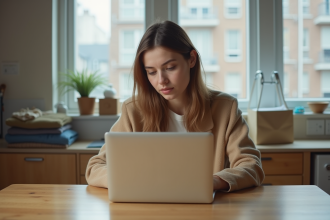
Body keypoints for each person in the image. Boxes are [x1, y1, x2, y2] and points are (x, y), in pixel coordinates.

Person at [86, 20, 264, 192]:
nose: (161, 81)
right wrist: (129, 181)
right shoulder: (133, 110)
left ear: (191, 59)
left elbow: (250, 165)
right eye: (152, 72)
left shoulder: (226, 109)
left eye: (170, 67)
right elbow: (95, 167)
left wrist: (214, 182)